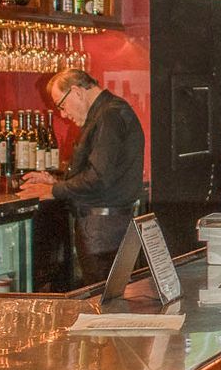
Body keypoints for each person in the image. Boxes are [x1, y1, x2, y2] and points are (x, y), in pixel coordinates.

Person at [19, 70, 145, 285]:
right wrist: (57, 182)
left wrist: (52, 191)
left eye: (61, 105)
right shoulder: (109, 111)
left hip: (103, 229)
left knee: (102, 299)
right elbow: (100, 174)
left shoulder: (108, 115)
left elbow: (98, 178)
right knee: (110, 296)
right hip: (109, 226)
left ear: (76, 92)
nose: (64, 114)